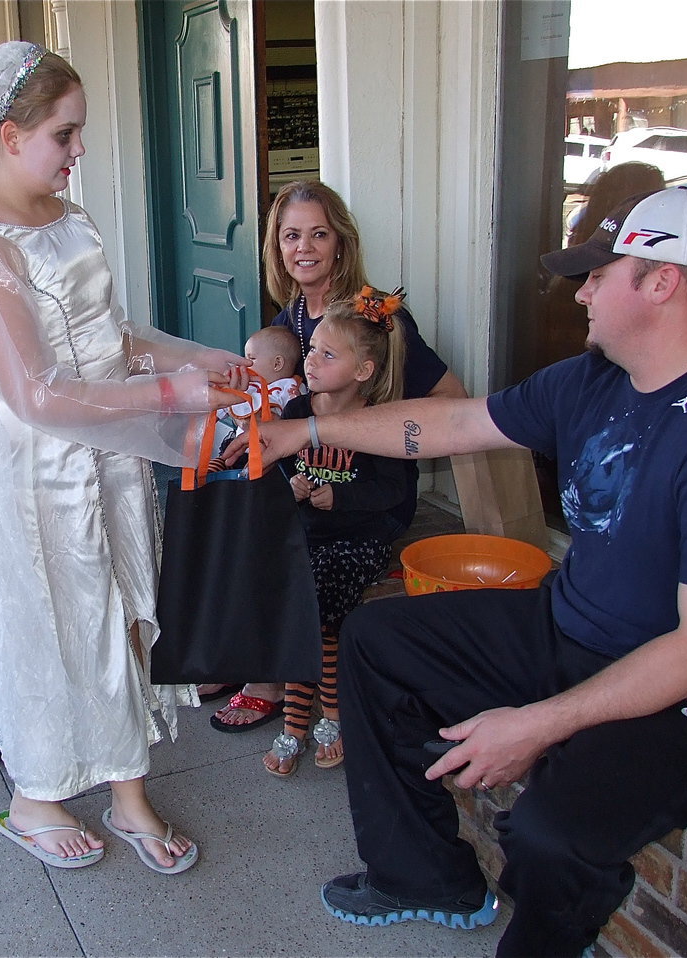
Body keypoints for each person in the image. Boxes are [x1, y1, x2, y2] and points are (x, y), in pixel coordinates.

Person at [228, 188, 687, 955]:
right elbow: (455, 421)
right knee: (376, 641)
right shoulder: (593, 380)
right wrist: (305, 431)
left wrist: (538, 723)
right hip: (574, 630)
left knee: (548, 831)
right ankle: (423, 876)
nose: (579, 293)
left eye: (597, 276)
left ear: (661, 282)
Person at [0, 42, 250, 874]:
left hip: (109, 454)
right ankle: (36, 793)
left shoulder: (69, 218)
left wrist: (197, 358)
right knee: (60, 625)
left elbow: (111, 337)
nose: (79, 150)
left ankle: (127, 789)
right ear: (9, 136)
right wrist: (173, 395)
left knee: (122, 613)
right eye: (64, 135)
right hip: (43, 478)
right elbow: (34, 394)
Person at [207, 179, 468, 731]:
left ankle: (269, 678)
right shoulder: (288, 321)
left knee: (278, 546)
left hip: (366, 491)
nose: (304, 247)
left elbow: (452, 402)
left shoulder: (374, 316)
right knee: (228, 514)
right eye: (291, 236)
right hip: (308, 485)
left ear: (342, 242)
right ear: (276, 247)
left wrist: (354, 425)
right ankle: (248, 651)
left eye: (319, 234)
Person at [263, 287, 410, 777]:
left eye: (328, 355)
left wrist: (342, 497)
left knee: (319, 607)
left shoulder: (377, 422)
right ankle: (301, 720)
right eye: (311, 350)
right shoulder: (296, 412)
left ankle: (323, 719)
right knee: (289, 599)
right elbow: (280, 466)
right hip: (306, 534)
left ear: (363, 370)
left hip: (357, 540)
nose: (310, 361)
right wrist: (293, 486)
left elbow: (393, 490)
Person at [210, 324, 302, 461]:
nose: (244, 364)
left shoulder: (290, 388)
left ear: (277, 364)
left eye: (251, 358)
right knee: (220, 464)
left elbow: (298, 419)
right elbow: (219, 407)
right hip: (240, 448)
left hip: (273, 453)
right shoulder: (247, 385)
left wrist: (297, 400)